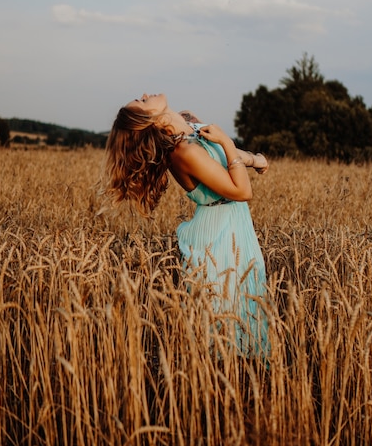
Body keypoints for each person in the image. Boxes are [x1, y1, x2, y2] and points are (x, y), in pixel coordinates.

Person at [104, 93, 269, 356]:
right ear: (153, 123)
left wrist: (256, 159)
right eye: (144, 103)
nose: (146, 95)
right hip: (219, 232)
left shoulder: (187, 120)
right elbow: (241, 190)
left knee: (248, 303)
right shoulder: (184, 152)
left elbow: (229, 158)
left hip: (235, 222)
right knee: (225, 318)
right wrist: (226, 140)